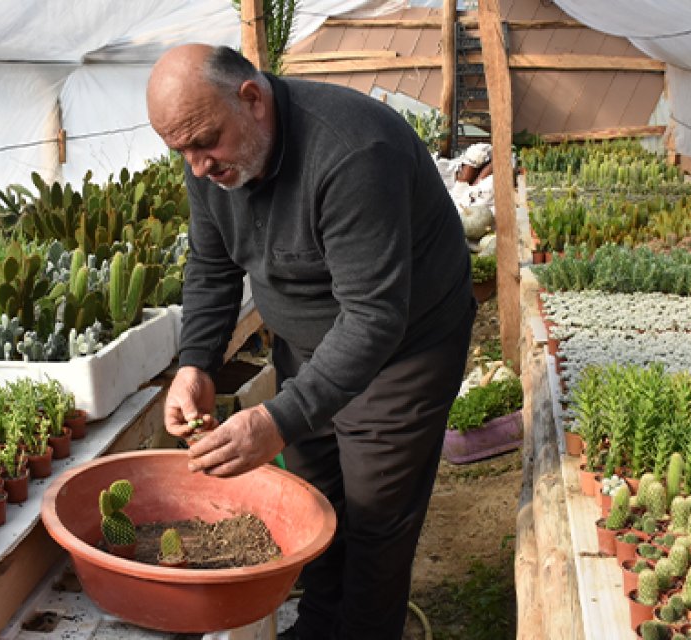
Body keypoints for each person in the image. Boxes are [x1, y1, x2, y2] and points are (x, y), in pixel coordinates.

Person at [146, 44, 476, 639]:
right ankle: (321, 624)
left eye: (204, 143)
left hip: (404, 351)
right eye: (182, 152)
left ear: (252, 99)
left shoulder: (352, 152)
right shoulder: (214, 159)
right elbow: (212, 267)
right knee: (317, 504)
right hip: (307, 346)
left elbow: (374, 317)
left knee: (374, 520)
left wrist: (277, 418)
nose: (196, 167)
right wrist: (195, 364)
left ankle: (367, 632)